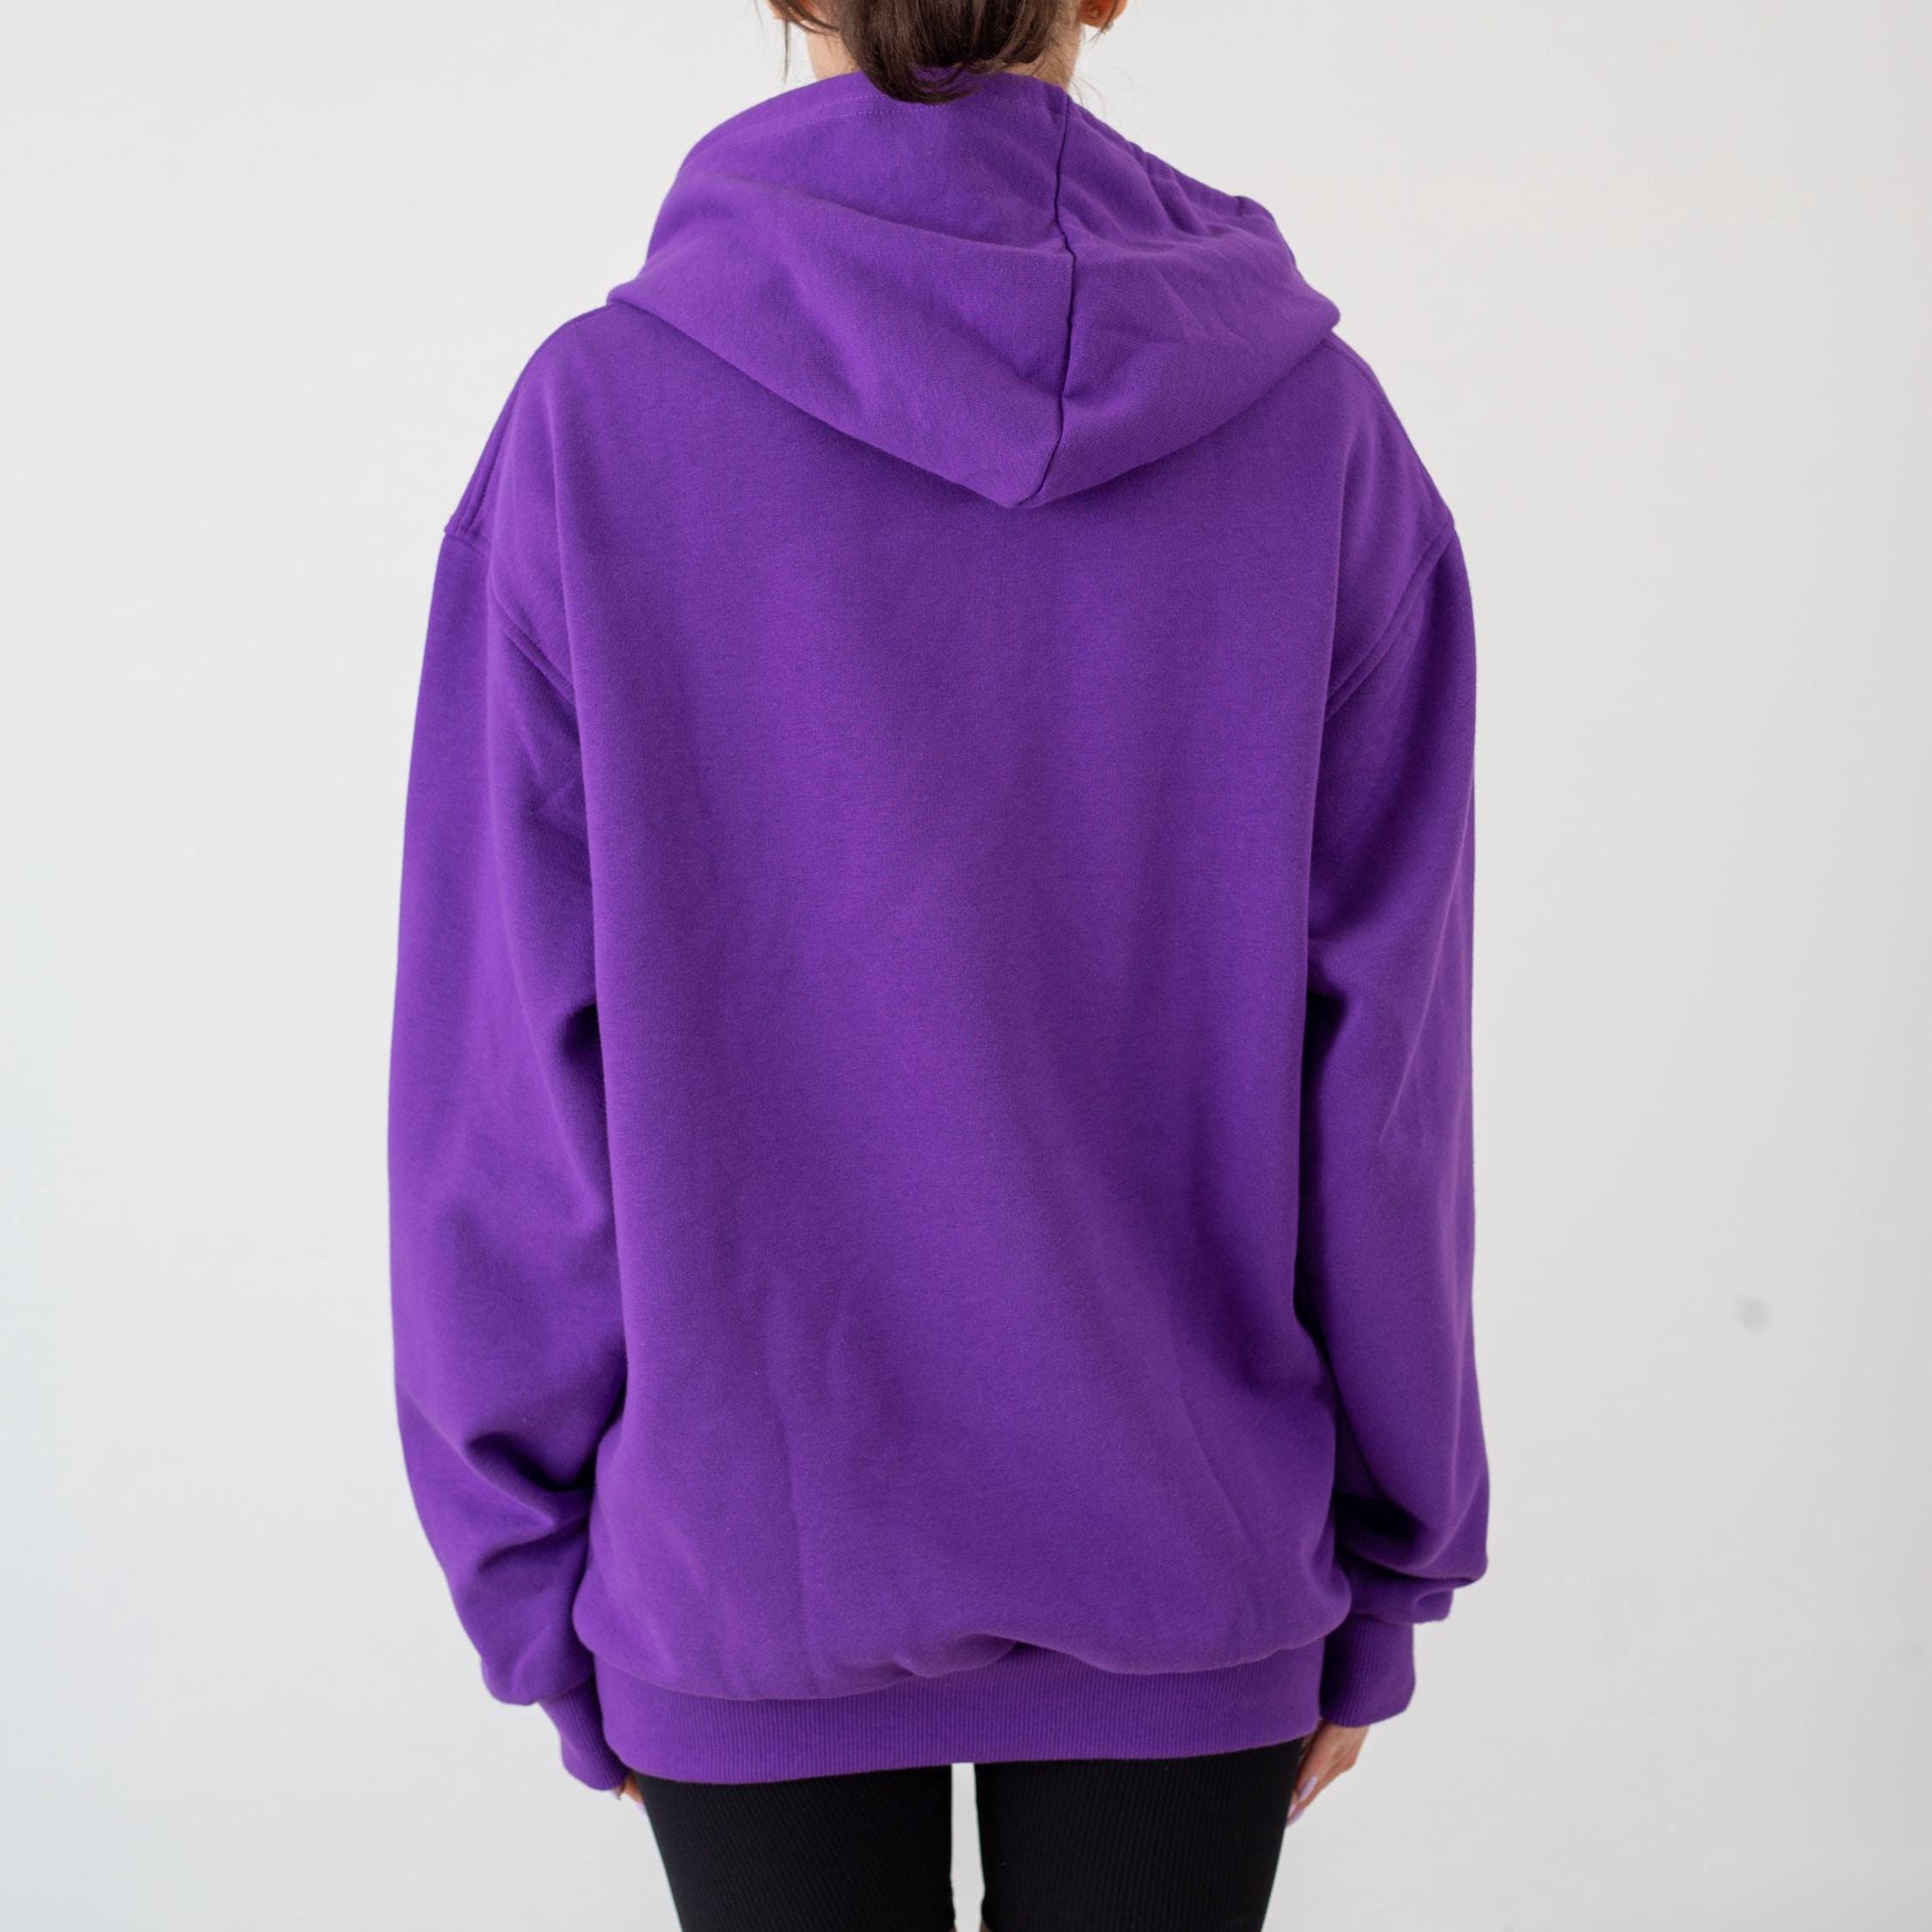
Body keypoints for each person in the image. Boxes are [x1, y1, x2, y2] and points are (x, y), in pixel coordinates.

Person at [386, 2, 1490, 1925]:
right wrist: (1390, 1560)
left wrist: (529, 1572)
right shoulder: (1316, 434)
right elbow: (1380, 1081)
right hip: (1193, 1562)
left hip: (744, 1578)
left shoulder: (594, 426)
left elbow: (509, 1088)